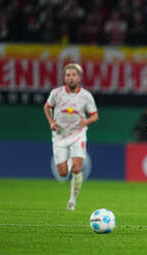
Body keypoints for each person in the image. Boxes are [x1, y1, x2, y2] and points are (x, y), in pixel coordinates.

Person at [43, 63, 98, 211]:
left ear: (79, 78)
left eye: (74, 75)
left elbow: (94, 116)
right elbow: (47, 107)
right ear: (64, 78)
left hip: (78, 134)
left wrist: (86, 121)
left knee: (77, 168)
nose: (71, 78)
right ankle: (67, 162)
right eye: (68, 75)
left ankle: (72, 201)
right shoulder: (56, 93)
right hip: (59, 135)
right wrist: (51, 121)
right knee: (62, 173)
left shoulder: (86, 96)